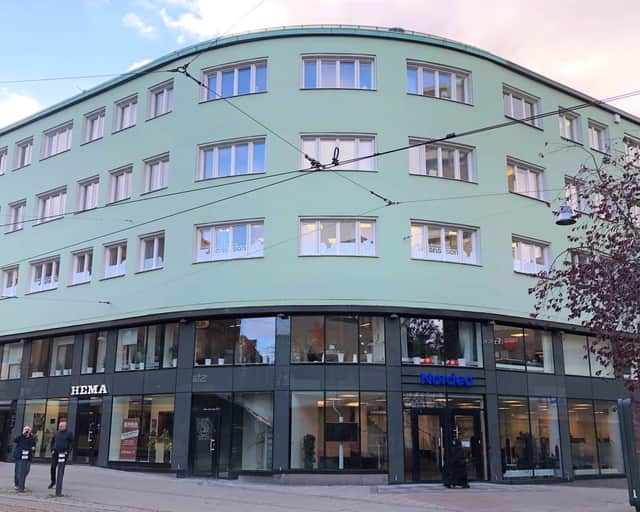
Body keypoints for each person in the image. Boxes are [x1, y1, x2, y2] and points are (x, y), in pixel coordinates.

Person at [48, 420, 74, 489]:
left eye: (62, 426)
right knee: (53, 467)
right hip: (55, 453)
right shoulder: (56, 433)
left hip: (63, 453)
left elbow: (71, 443)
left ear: (65, 426)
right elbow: (52, 441)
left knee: (61, 469)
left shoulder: (69, 433)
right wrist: (52, 449)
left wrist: (68, 451)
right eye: (59, 426)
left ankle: (59, 482)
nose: (60, 427)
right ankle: (53, 481)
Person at [12, 426, 35, 492]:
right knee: (18, 471)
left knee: (27, 470)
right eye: (25, 429)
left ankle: (21, 483)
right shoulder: (20, 437)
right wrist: (22, 434)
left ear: (30, 431)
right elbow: (15, 440)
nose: (27, 431)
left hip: (28, 457)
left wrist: (33, 448)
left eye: (28, 430)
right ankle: (18, 484)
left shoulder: (32, 438)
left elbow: (33, 445)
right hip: (19, 456)